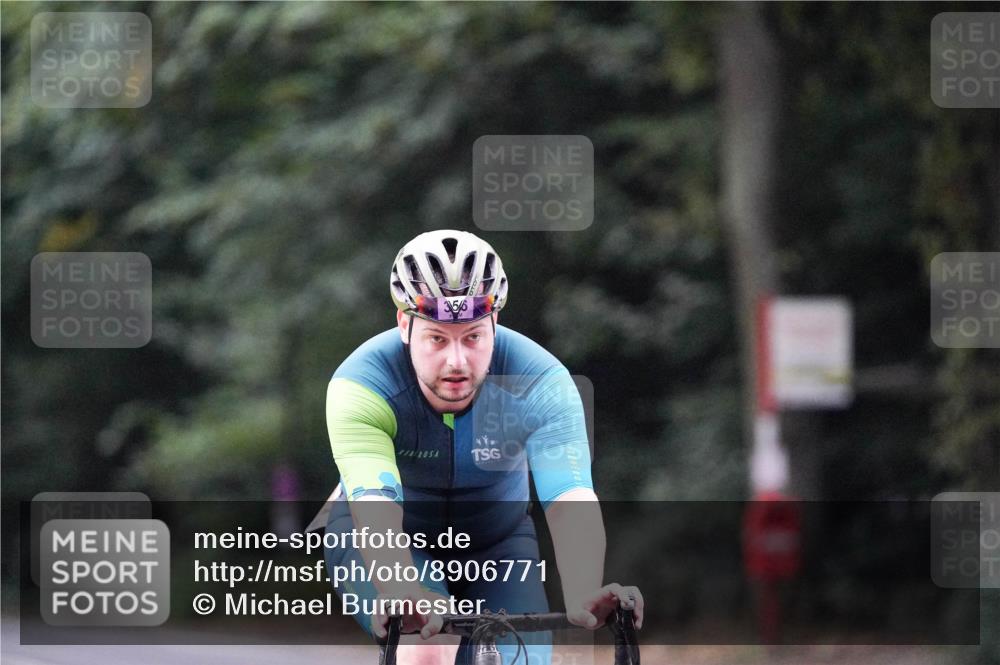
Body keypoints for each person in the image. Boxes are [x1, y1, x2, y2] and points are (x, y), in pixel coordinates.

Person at [323, 230, 642, 665]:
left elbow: (569, 497)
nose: (457, 360)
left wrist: (585, 590)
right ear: (404, 325)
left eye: (473, 337)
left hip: (498, 540)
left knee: (520, 658)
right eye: (437, 338)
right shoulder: (361, 384)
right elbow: (376, 504)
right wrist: (402, 589)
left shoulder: (541, 381)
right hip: (390, 534)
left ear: (494, 324)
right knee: (428, 649)